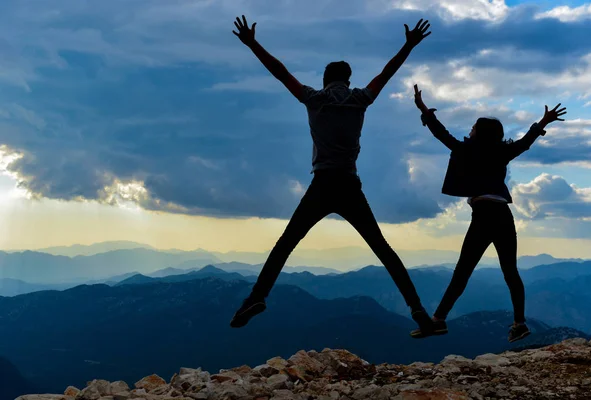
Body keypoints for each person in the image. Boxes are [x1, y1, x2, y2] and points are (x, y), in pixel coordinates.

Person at [229, 15, 434, 334]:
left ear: (325, 79)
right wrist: (408, 45)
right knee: (382, 248)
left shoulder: (314, 99)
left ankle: (256, 298)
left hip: (322, 184)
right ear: (349, 80)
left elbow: (281, 73)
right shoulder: (360, 100)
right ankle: (419, 310)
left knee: (286, 243)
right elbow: (386, 74)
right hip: (350, 185)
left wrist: (253, 43)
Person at [410, 84, 567, 342]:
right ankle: (519, 323)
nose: (469, 130)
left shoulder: (466, 149)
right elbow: (526, 143)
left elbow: (441, 134)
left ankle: (437, 321)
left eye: (472, 127)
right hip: (503, 215)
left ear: (478, 132)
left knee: (463, 271)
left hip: (483, 215)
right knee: (510, 271)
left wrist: (424, 110)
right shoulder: (502, 152)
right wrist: (544, 121)